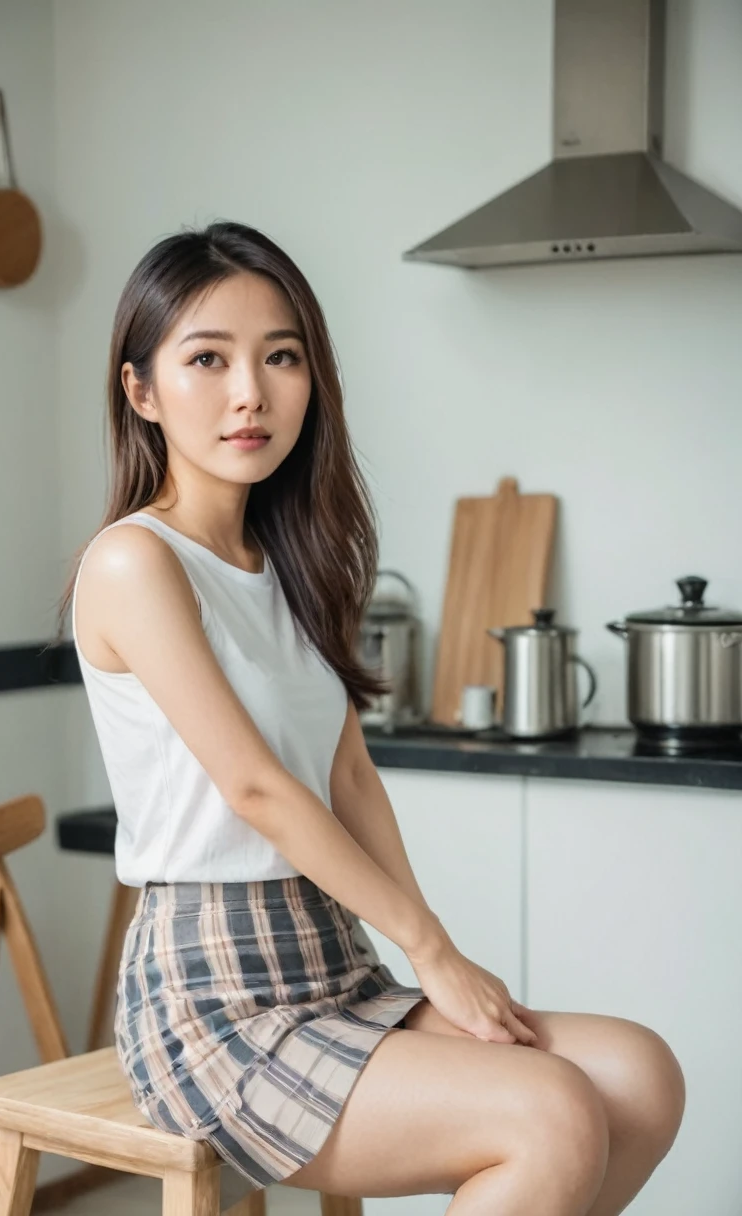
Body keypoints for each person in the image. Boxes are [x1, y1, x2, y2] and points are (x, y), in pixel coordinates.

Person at [59, 220, 685, 1213]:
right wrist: (433, 949)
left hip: (332, 961)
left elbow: (347, 775)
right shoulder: (133, 562)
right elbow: (258, 788)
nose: (249, 393)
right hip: (208, 996)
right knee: (550, 1112)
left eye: (281, 357)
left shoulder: (290, 564)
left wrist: (412, 955)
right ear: (141, 390)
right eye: (207, 359)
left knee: (641, 1076)